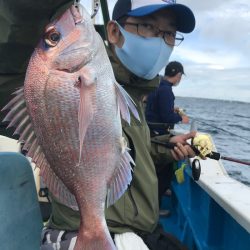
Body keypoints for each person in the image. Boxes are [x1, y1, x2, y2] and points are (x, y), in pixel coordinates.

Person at [40, 1, 197, 250]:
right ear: (113, 32)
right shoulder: (94, 79)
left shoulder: (134, 93)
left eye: (169, 33)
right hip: (90, 229)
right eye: (148, 26)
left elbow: (121, 146)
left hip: (137, 228)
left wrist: (165, 147)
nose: (160, 42)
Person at [145, 61, 189, 136]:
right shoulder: (166, 90)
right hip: (157, 133)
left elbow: (156, 105)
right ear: (179, 75)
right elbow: (167, 117)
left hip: (148, 128)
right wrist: (181, 118)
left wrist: (171, 108)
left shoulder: (156, 84)